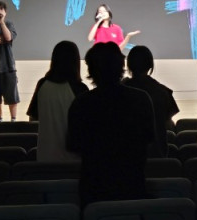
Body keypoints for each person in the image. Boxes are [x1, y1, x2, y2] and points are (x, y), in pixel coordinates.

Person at [67, 42, 155, 207]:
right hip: (132, 186)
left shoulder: (81, 103)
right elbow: (149, 140)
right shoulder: (141, 99)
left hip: (94, 190)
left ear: (91, 70)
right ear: (122, 66)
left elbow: (74, 146)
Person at [26, 40, 88, 162]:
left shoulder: (42, 84)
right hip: (73, 161)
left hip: (45, 157)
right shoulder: (80, 88)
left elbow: (33, 117)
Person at [123, 45, 180, 157]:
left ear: (129, 65)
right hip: (156, 152)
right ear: (150, 65)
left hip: (126, 153)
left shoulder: (120, 91)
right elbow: (168, 123)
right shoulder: (163, 92)